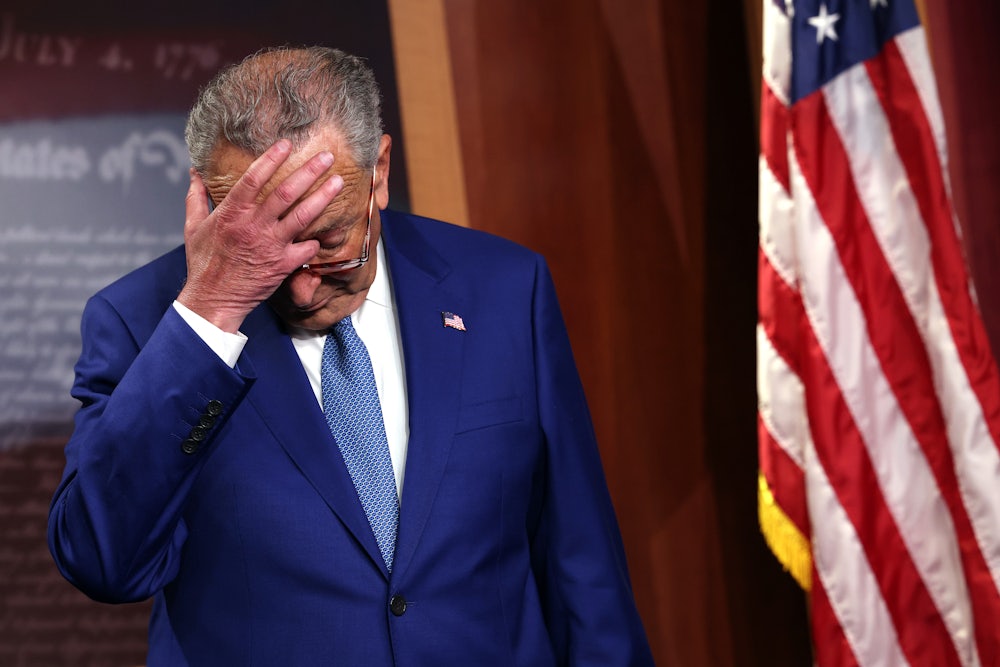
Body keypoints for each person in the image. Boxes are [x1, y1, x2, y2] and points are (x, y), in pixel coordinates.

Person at [47, 46, 654, 666]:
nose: (304, 284)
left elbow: (583, 569)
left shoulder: (503, 288)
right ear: (208, 198)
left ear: (380, 171)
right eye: (271, 249)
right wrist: (211, 312)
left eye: (330, 243)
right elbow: (103, 563)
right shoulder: (141, 323)